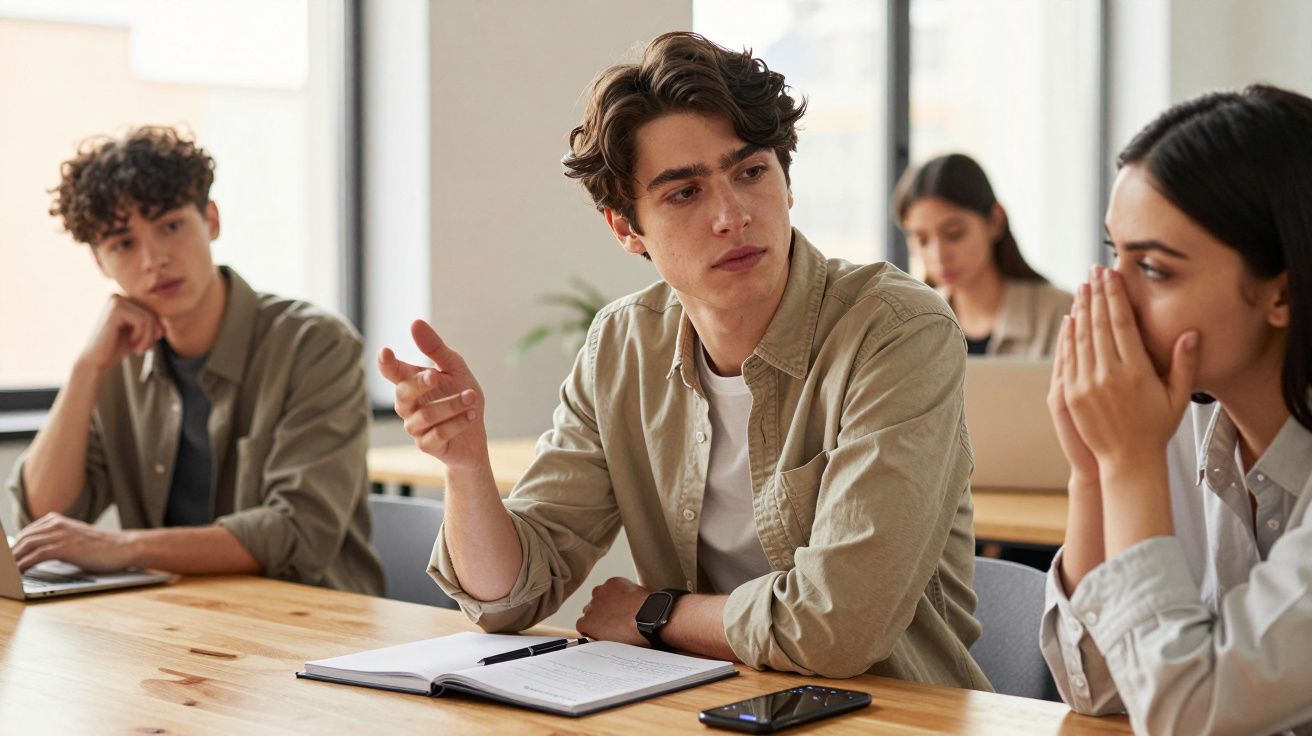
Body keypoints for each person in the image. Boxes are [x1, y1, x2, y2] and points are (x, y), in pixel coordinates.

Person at [378, 32, 989, 687]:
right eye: (684, 193)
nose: (731, 215)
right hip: (699, 710)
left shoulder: (894, 327)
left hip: (892, 717)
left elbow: (837, 629)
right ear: (625, 228)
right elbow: (507, 596)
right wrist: (466, 465)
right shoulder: (622, 347)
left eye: (751, 172)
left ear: (786, 181)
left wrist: (656, 614)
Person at [5, 127, 383, 595]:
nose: (154, 259)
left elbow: (299, 533)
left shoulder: (315, 344)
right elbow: (43, 518)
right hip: (175, 628)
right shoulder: (115, 362)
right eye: (123, 243)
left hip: (319, 631)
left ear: (211, 220)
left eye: (170, 225)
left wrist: (122, 547)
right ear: (100, 263)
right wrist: (85, 371)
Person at [1042, 85, 1312, 734]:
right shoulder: (1175, 424)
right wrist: (1093, 474)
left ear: (1281, 291)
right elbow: (1100, 691)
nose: (1112, 297)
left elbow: (1184, 715)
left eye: (1155, 269)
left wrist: (1129, 464)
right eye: (1115, 256)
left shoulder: (1145, 444)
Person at [894, 153, 1072, 357]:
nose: (939, 256)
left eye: (954, 234)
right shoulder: (913, 325)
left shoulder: (1063, 315)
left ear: (995, 221)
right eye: (922, 240)